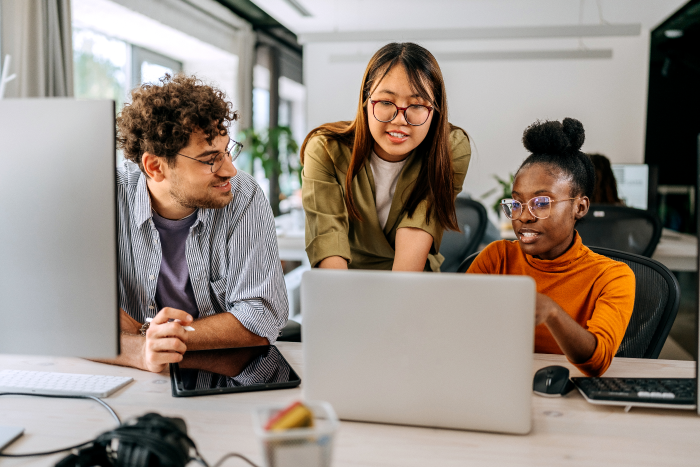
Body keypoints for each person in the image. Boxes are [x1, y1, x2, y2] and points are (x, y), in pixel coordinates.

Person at [97, 74, 288, 373]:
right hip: (128, 376)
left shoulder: (244, 196)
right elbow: (67, 318)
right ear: (155, 167)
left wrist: (153, 337)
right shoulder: (103, 196)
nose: (230, 170)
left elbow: (260, 318)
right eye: (211, 158)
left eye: (227, 150)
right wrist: (139, 352)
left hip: (222, 377)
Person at [467, 118, 635, 377]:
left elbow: (597, 362)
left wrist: (552, 312)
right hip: (497, 380)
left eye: (542, 202)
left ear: (580, 207)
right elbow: (459, 328)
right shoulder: (497, 257)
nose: (523, 216)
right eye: (517, 203)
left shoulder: (612, 276)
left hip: (570, 392)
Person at [301, 42, 471, 272]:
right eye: (385, 102)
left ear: (435, 110)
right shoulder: (325, 148)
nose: (400, 119)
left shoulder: (450, 148)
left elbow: (417, 230)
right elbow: (328, 240)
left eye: (417, 105)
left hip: (412, 283)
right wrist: (340, 303)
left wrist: (392, 305)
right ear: (365, 101)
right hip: (348, 282)